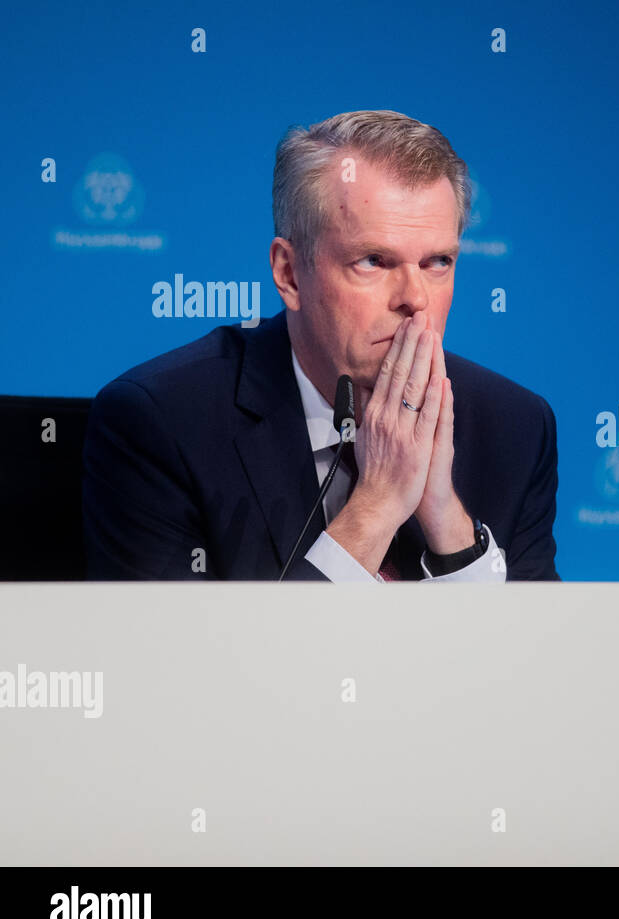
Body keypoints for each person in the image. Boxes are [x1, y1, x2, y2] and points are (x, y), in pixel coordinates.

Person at [82, 109, 559, 582]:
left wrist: (448, 526)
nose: (415, 299)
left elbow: (535, 656)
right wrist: (378, 504)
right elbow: (185, 658)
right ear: (289, 274)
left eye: (438, 262)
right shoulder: (161, 424)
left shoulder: (514, 429)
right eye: (373, 261)